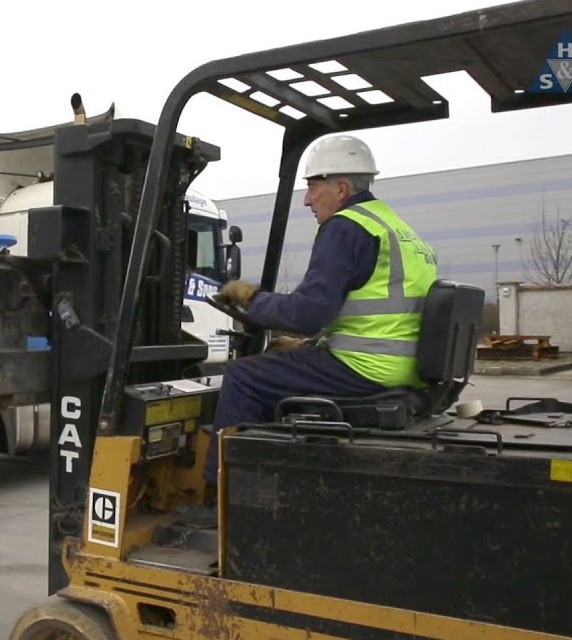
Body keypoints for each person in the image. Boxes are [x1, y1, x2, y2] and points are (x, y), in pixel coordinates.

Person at [178, 133, 438, 528]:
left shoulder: (345, 227)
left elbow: (308, 311)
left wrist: (251, 300)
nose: (307, 200)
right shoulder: (397, 229)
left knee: (244, 376)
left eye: (313, 188)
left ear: (341, 188)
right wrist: (309, 344)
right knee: (279, 364)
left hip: (368, 368)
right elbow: (372, 312)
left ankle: (220, 503)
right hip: (405, 368)